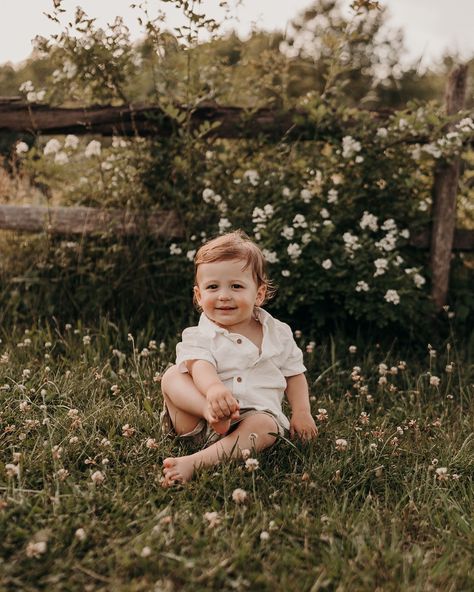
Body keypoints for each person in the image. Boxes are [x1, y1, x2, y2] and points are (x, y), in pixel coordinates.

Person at [160, 230, 317, 486]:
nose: (224, 295)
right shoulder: (200, 334)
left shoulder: (278, 333)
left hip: (252, 421)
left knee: (268, 426)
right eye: (213, 287)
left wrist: (301, 411)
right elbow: (200, 365)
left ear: (259, 294)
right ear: (199, 296)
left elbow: (294, 373)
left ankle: (196, 462)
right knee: (172, 376)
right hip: (198, 422)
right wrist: (212, 395)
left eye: (236, 286)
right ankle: (211, 414)